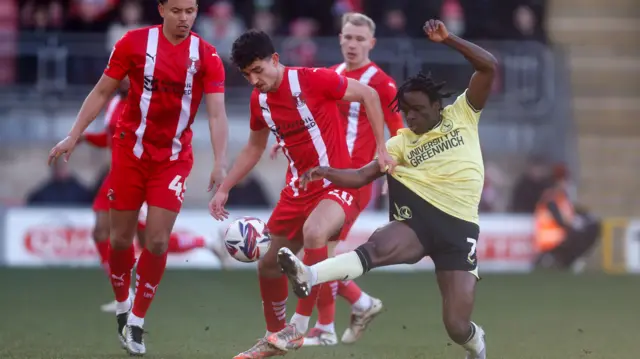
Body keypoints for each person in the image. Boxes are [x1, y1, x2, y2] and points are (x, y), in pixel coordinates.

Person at [277, 19, 497, 359]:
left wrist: (449, 39)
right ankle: (309, 273)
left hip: (460, 228)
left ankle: (476, 343)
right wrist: (325, 171)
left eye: (419, 111)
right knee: (376, 247)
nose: (411, 119)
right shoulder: (400, 144)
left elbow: (489, 66)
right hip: (420, 221)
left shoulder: (463, 113)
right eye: (406, 112)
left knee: (456, 326)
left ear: (438, 106)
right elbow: (363, 175)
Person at [47, 0, 229, 355]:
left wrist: (221, 161)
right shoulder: (132, 43)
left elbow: (218, 115)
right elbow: (101, 91)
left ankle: (137, 323)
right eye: (177, 10)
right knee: (119, 241)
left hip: (173, 159)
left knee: (157, 241)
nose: (185, 18)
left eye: (191, 10)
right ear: (161, 9)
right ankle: (121, 305)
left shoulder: (207, 56)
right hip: (129, 154)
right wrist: (74, 134)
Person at [209, 29, 395, 358]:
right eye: (246, 74)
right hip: (298, 190)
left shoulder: (313, 80)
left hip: (339, 182)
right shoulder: (259, 100)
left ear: (275, 60)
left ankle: (299, 325)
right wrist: (224, 187)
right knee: (267, 264)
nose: (254, 80)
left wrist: (382, 148)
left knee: (315, 232)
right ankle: (274, 337)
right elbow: (254, 148)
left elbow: (368, 93)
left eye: (258, 70)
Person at [303, 12, 405, 347]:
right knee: (317, 251)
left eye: (360, 39)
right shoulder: (332, 75)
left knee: (320, 249)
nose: (353, 44)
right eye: (348, 37)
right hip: (326, 173)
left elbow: (399, 131)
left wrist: (395, 173)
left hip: (356, 180)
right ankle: (360, 303)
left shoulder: (382, 83)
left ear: (371, 43)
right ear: (340, 38)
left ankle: (326, 327)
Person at [533, 165, 600, 271]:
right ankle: (567, 260)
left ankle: (569, 260)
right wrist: (575, 223)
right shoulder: (550, 197)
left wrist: (586, 217)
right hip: (552, 239)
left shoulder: (561, 196)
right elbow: (559, 218)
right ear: (559, 181)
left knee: (593, 227)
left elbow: (572, 211)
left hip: (560, 235)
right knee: (579, 234)